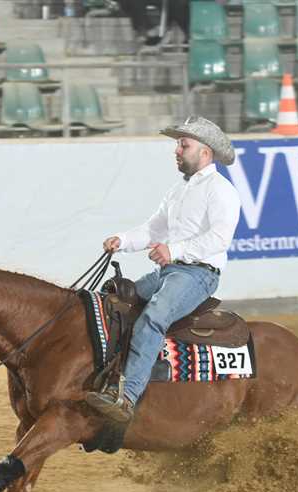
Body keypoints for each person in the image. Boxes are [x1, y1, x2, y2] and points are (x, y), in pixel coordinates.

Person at [85, 116, 242, 423]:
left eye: (184, 145)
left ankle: (127, 397)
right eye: (178, 145)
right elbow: (154, 229)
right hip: (170, 272)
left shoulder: (221, 191)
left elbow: (219, 238)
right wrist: (123, 240)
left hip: (199, 275)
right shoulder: (178, 191)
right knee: (111, 303)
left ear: (205, 152)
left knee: (152, 318)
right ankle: (109, 375)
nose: (177, 151)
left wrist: (174, 250)